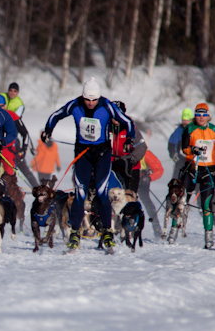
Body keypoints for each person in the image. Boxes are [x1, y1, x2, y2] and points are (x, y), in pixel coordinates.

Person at [42, 77, 135, 252]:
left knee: (101, 192)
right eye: (87, 99)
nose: (90, 103)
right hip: (83, 153)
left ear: (98, 97)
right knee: (80, 192)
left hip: (102, 153)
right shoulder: (75, 105)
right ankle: (75, 233)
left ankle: (107, 231)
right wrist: (48, 130)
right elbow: (56, 115)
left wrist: (129, 140)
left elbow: (128, 122)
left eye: (94, 99)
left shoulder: (107, 105)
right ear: (83, 96)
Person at [180, 103, 215, 249]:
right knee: (182, 201)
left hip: (208, 171)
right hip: (191, 168)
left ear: (208, 115)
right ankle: (172, 233)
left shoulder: (214, 130)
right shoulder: (189, 129)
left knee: (206, 205)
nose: (201, 117)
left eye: (204, 114)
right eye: (198, 114)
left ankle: (208, 238)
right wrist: (192, 149)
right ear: (195, 116)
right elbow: (184, 148)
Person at [0, 92, 38, 187]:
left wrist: (24, 149)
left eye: (1, 106)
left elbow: (25, 134)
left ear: (5, 105)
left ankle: (37, 189)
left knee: (22, 170)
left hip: (12, 150)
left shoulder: (12, 115)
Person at [109, 101, 147, 193]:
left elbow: (141, 146)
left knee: (129, 197)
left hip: (130, 169)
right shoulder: (106, 129)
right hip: (111, 167)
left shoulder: (131, 130)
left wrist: (131, 158)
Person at [138, 148, 164, 238]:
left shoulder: (144, 153)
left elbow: (159, 169)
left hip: (141, 179)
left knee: (147, 202)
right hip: (126, 178)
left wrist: (149, 178)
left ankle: (156, 227)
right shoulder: (119, 148)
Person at [168, 108, 194, 178]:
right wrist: (173, 154)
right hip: (181, 159)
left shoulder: (196, 130)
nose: (185, 122)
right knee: (177, 177)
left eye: (187, 120)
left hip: (194, 160)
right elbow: (171, 144)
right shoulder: (179, 130)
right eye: (184, 120)